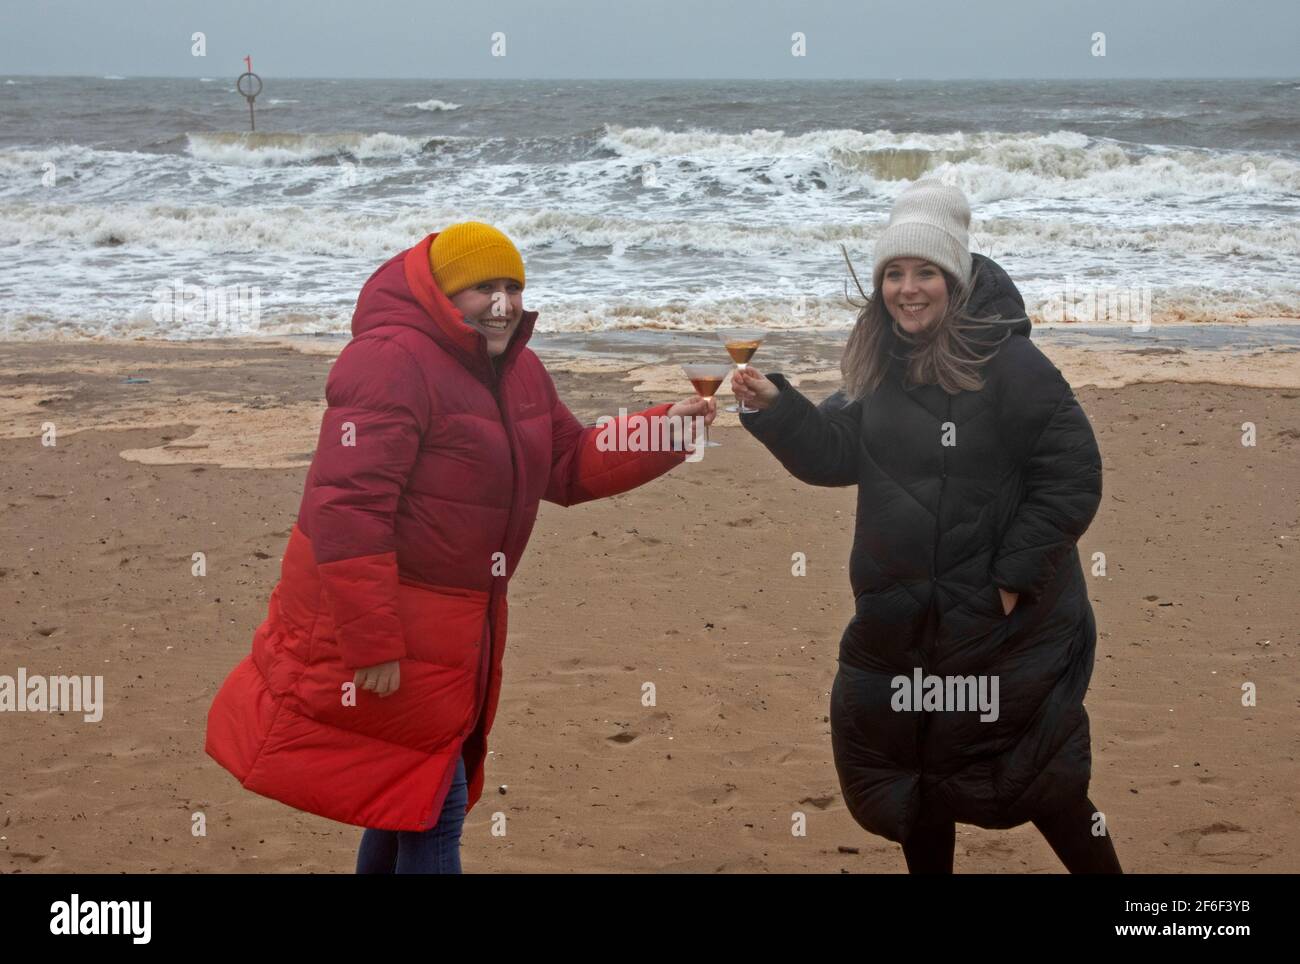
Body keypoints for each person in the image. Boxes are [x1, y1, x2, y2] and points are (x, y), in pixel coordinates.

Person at [205, 222, 714, 873]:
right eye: (482, 288)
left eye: (513, 287)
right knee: (433, 810)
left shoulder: (520, 371)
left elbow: (567, 464)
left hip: (460, 626)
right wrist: (372, 642)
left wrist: (660, 433)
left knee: (408, 800)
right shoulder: (389, 361)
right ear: (443, 294)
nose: (502, 303)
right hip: (382, 618)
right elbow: (346, 508)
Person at [731, 181, 1122, 874]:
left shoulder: (1012, 364)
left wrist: (1008, 582)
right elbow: (834, 451)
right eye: (893, 273)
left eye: (924, 273)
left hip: (1007, 627)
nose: (907, 290)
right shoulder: (881, 367)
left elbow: (1073, 475)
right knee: (917, 774)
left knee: (1048, 775)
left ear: (955, 279)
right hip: (903, 617)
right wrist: (775, 409)